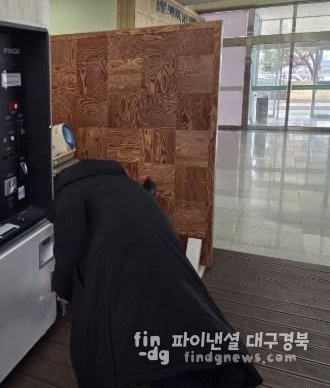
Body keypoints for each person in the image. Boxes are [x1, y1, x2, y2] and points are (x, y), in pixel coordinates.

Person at [52, 160, 263, 388]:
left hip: (121, 263)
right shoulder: (125, 184)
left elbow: (67, 251)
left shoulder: (68, 194)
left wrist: (62, 289)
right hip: (165, 251)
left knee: (121, 324)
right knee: (171, 309)